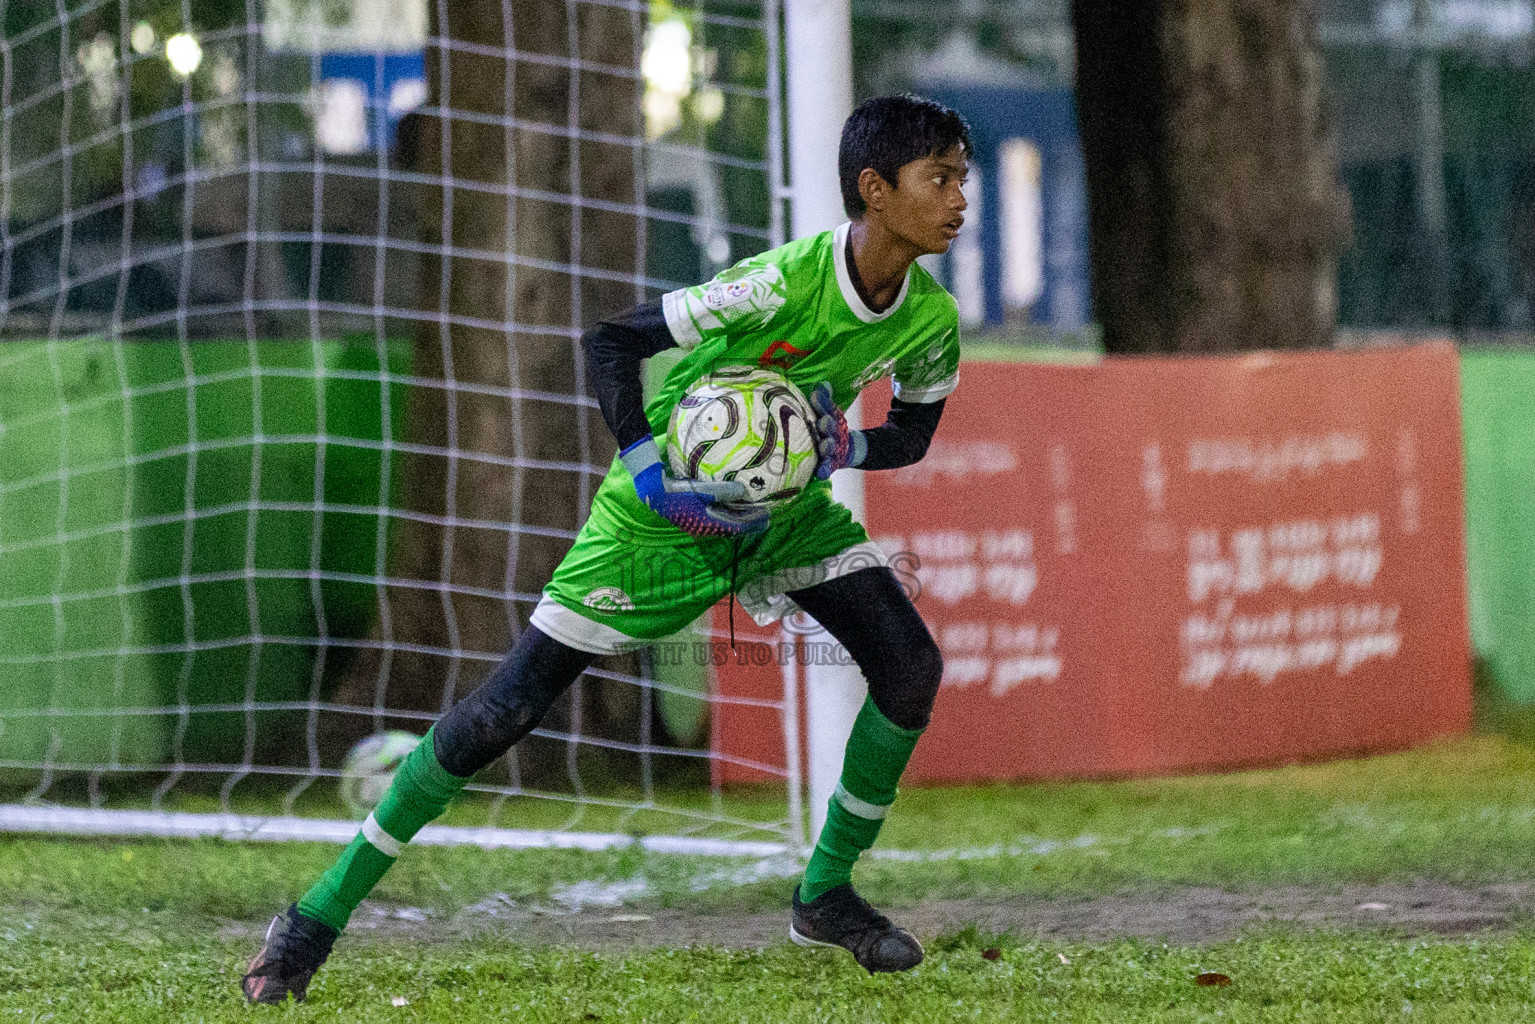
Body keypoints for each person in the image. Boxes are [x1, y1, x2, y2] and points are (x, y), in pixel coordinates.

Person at [241, 93, 971, 1004]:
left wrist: (841, 447)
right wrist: (650, 467)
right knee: (502, 714)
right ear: (874, 187)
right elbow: (612, 342)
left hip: (785, 517)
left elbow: (909, 434)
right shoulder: (779, 282)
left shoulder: (931, 320)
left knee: (908, 669)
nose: (958, 198)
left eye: (961, 178)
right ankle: (312, 920)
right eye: (939, 177)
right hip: (654, 523)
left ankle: (824, 894)